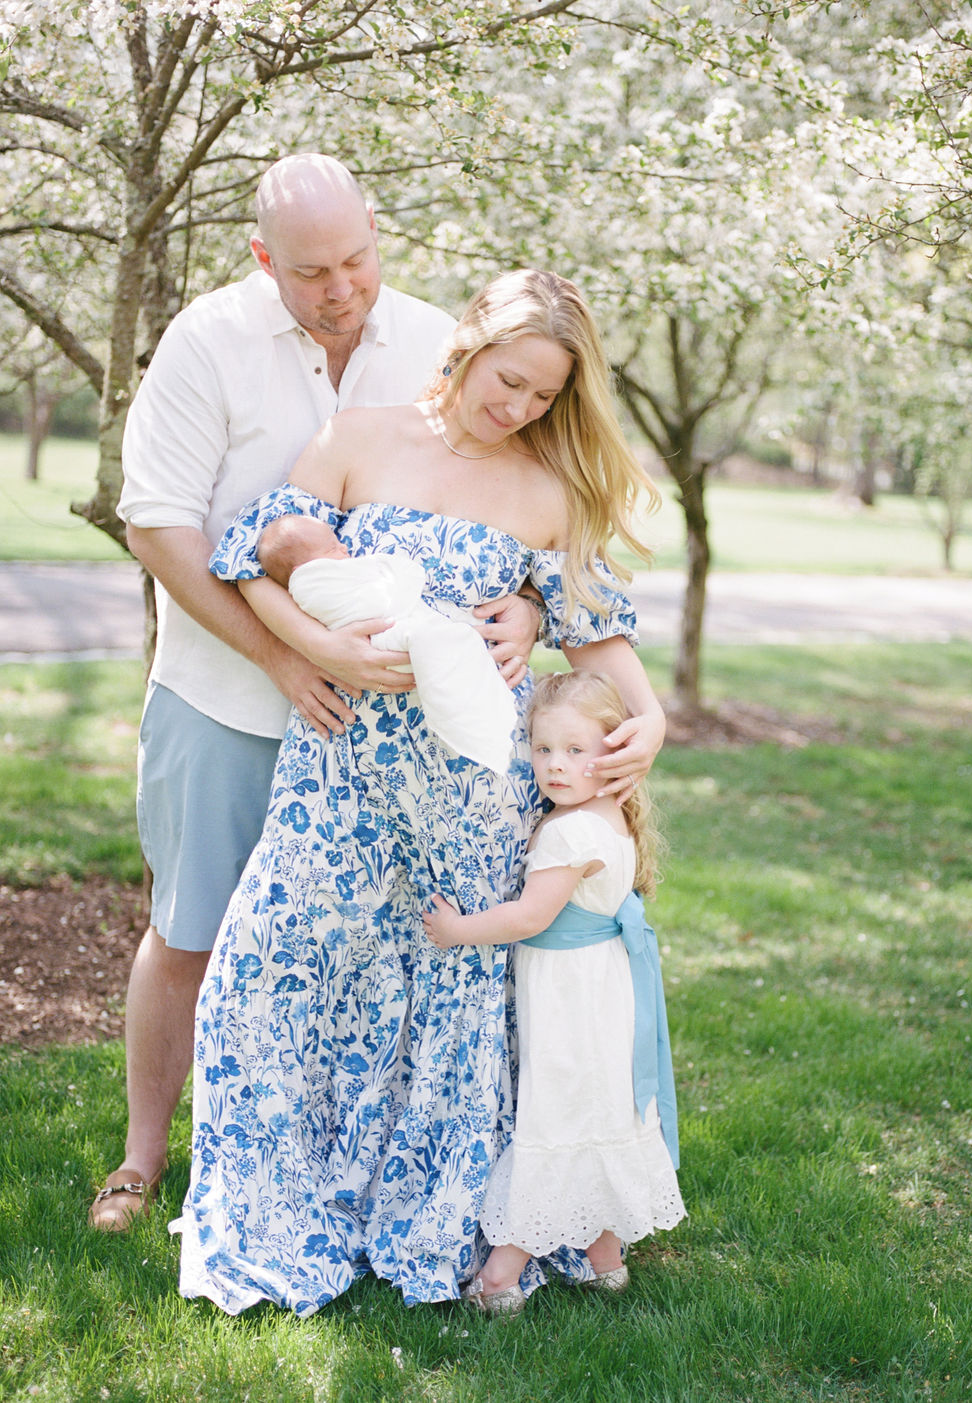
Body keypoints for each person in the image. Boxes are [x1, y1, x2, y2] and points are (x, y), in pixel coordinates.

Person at [171, 267, 666, 1315]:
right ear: (471, 343)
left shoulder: (547, 487)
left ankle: (427, 1205)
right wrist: (313, 647)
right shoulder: (360, 435)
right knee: (266, 966)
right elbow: (248, 557)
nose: (520, 407)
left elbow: (603, 633)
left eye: (544, 395)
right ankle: (277, 1204)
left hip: (470, 793)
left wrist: (651, 716)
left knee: (446, 992)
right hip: (338, 768)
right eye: (510, 378)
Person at [90, 153, 540, 1231]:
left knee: (355, 948)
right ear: (261, 259)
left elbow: (497, 486)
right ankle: (142, 1158)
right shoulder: (206, 341)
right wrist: (281, 656)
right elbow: (158, 523)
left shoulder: (437, 337)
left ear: (378, 233)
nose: (341, 289)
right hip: (222, 695)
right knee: (192, 928)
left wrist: (526, 600)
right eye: (311, 272)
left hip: (380, 734)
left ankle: (317, 1172)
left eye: (356, 260)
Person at [423, 669, 686, 1315]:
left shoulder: (568, 831)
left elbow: (527, 917)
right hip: (603, 993)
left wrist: (457, 930)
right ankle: (606, 1261)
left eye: (575, 750)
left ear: (614, 750)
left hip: (573, 1003)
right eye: (542, 749)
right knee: (596, 1113)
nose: (555, 765)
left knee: (558, 1117)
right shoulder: (610, 817)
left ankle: (500, 1278)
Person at [256, 514, 517, 772]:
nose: (345, 549)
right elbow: (378, 600)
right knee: (435, 638)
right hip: (378, 647)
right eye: (333, 548)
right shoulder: (312, 583)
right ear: (301, 568)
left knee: (443, 641)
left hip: (388, 661)